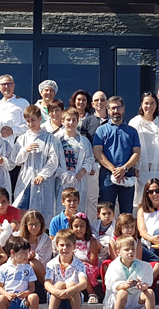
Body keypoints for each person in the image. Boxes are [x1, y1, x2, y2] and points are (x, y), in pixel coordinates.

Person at [92, 236, 159, 309]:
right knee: (122, 292)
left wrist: (142, 286)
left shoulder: (144, 265)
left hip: (135, 300)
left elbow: (148, 281)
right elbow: (110, 283)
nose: (130, 252)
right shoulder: (113, 265)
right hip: (117, 299)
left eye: (133, 249)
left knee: (149, 292)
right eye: (126, 250)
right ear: (118, 252)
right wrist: (122, 285)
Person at [93, 96, 141, 216]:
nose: (116, 111)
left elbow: (137, 153)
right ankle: (106, 235)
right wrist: (114, 170)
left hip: (127, 175)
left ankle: (126, 235)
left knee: (126, 212)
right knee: (106, 212)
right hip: (107, 176)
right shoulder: (101, 130)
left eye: (118, 108)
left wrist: (124, 169)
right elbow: (98, 152)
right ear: (108, 110)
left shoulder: (132, 131)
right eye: (113, 108)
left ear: (123, 110)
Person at [13, 105, 60, 215]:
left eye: (33, 120)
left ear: (40, 119)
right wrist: (25, 150)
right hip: (26, 178)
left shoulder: (49, 138)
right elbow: (16, 160)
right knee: (22, 208)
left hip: (43, 181)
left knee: (41, 211)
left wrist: (43, 174)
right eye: (28, 121)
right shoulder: (22, 138)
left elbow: (53, 159)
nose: (30, 124)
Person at [128, 92, 159, 208]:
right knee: (141, 199)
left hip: (158, 166)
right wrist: (134, 165)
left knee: (158, 197)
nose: (149, 106)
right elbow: (131, 145)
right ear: (141, 104)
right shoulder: (134, 122)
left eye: (152, 103)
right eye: (146, 103)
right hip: (140, 166)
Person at [43, 228, 88, 309]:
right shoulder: (51, 264)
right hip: (56, 299)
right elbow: (47, 283)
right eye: (62, 245)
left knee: (71, 284)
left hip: (73, 300)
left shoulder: (79, 264)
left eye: (68, 245)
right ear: (57, 246)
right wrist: (56, 291)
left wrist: (70, 290)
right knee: (59, 284)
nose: (65, 248)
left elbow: (84, 283)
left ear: (74, 246)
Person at [0, 236, 41, 309]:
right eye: (23, 253)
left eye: (27, 253)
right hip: (9, 300)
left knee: (34, 297)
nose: (26, 256)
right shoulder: (4, 268)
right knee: (0, 299)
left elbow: (32, 287)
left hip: (23, 300)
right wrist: (7, 294)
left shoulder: (28, 268)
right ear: (13, 252)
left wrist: (26, 293)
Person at [55, 107, 93, 215]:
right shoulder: (57, 140)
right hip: (61, 180)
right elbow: (53, 160)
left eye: (74, 120)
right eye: (68, 120)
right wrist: (63, 174)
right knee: (61, 209)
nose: (71, 123)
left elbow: (89, 159)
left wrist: (80, 174)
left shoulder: (84, 141)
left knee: (78, 211)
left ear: (77, 121)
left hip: (79, 180)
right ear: (62, 121)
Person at [79, 91, 108, 219]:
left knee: (110, 199)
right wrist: (88, 164)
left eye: (102, 100)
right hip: (93, 166)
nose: (99, 102)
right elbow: (84, 146)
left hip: (110, 166)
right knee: (92, 198)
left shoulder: (113, 120)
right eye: (96, 100)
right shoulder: (87, 121)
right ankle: (91, 228)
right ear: (92, 104)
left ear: (107, 102)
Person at [69, 213, 102, 303]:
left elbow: (93, 261)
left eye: (82, 226)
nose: (79, 229)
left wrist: (78, 261)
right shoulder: (69, 241)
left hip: (89, 267)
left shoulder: (92, 241)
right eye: (76, 226)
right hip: (72, 265)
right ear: (71, 227)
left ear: (86, 227)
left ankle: (91, 292)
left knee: (82, 267)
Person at [17, 209, 51, 283]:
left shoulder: (45, 239)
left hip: (39, 272)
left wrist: (33, 257)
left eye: (37, 224)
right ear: (26, 225)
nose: (34, 227)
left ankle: (45, 288)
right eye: (31, 224)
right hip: (20, 268)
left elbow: (44, 260)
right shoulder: (18, 237)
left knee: (34, 263)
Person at [0, 73, 30, 143]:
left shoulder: (23, 102)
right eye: (4, 84)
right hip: (1, 143)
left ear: (13, 86)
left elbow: (29, 125)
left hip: (17, 143)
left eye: (9, 84)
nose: (7, 87)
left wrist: (12, 130)